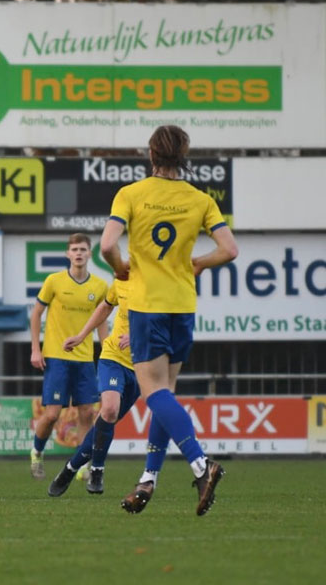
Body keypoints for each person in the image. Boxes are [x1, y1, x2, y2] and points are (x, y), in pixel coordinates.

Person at [101, 125, 238, 516]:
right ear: (184, 155)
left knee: (153, 393)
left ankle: (200, 464)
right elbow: (229, 249)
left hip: (147, 305)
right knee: (166, 393)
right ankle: (149, 479)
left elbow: (108, 244)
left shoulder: (131, 193)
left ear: (151, 155)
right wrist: (198, 262)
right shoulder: (199, 199)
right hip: (183, 304)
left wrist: (120, 268)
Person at [48, 277, 140, 497]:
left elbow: (169, 327)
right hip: (113, 357)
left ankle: (70, 468)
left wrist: (139, 336)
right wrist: (81, 335)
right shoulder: (124, 279)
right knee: (108, 410)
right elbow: (106, 306)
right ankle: (97, 469)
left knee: (104, 422)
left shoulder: (161, 287)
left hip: (141, 367)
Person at [28, 233, 107, 480]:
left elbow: (102, 322)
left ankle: (83, 466)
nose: (79, 253)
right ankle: (37, 452)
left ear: (89, 254)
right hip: (56, 356)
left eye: (83, 249)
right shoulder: (54, 281)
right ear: (68, 254)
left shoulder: (100, 286)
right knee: (52, 414)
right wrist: (35, 348)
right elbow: (36, 314)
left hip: (84, 359)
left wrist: (107, 354)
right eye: (74, 249)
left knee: (86, 413)